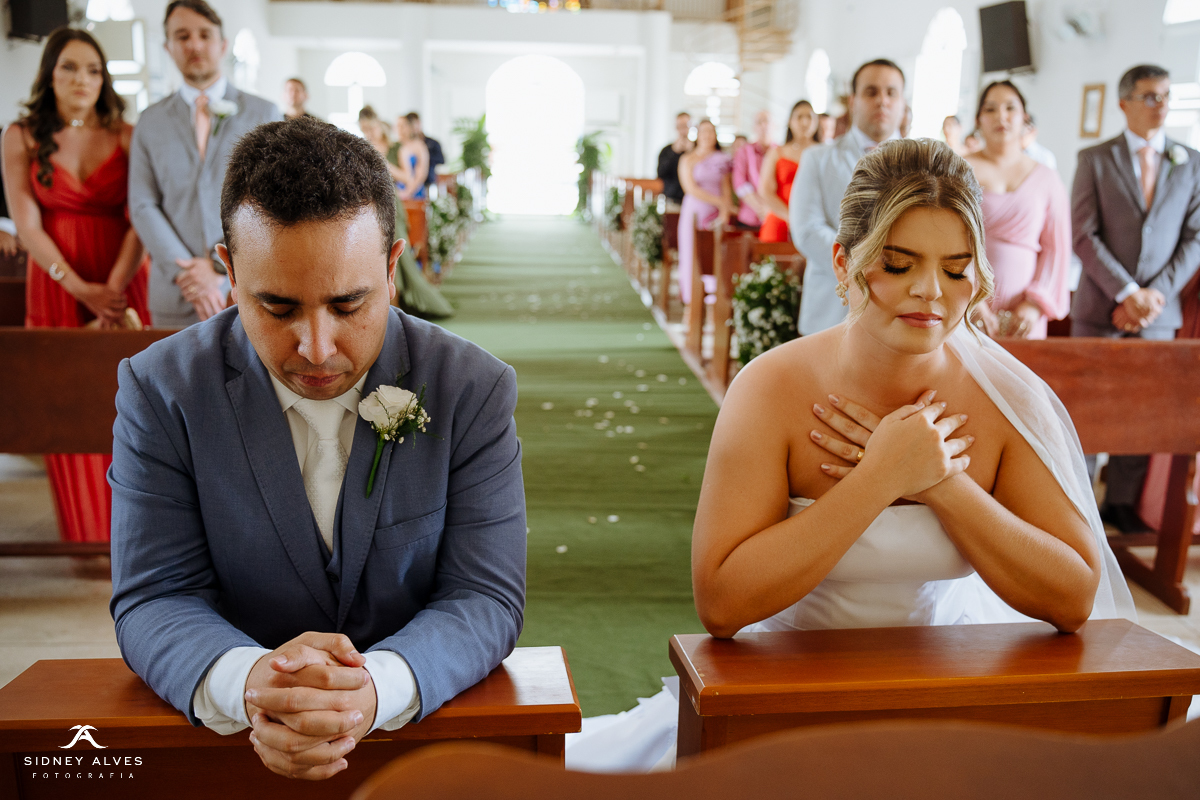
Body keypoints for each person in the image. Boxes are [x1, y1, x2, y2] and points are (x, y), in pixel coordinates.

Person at [566, 139, 1135, 773]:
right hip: (783, 694)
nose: (930, 292)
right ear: (844, 262)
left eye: (956, 269)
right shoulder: (771, 388)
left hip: (952, 691)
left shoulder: (1008, 400)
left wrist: (942, 483)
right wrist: (879, 478)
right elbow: (721, 604)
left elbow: (1073, 597)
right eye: (898, 264)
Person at [109, 116, 525, 781]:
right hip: (231, 757)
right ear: (228, 270)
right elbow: (155, 594)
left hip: (428, 752)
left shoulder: (469, 388)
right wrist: (252, 683)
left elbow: (484, 594)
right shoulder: (162, 390)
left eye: (349, 304)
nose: (317, 347)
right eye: (277, 308)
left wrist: (375, 688)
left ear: (392, 267)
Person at [1, 28, 151, 544]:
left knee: (129, 402)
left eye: (93, 70)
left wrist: (112, 287)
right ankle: (85, 533)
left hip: (122, 278)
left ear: (104, 79)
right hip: (56, 283)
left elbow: (139, 216)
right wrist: (80, 287)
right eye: (69, 67)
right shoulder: (21, 136)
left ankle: (137, 535)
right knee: (64, 402)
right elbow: (27, 225)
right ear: (49, 74)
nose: (81, 79)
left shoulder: (127, 135)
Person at [1071, 64, 1200, 534]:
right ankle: (1078, 503)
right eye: (1149, 96)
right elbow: (1082, 234)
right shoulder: (1094, 159)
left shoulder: (1191, 161)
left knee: (1141, 412)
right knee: (1086, 410)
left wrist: (1153, 297)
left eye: (1165, 96)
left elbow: (1196, 237)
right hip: (1101, 307)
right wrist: (1126, 293)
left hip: (1159, 314)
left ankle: (1122, 503)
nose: (1160, 105)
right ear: (1124, 103)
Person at [128, 0, 281, 328]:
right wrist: (185, 271)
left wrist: (217, 266)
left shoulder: (264, 113)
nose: (194, 45)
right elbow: (142, 204)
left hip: (248, 285)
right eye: (182, 36)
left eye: (204, 35)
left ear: (222, 44)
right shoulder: (150, 121)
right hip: (176, 290)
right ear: (168, 47)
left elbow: (271, 200)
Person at [791, 58, 905, 335]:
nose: (882, 101)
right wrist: (869, 265)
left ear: (903, 102)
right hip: (832, 311)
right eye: (871, 92)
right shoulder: (818, 159)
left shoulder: (924, 165)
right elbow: (807, 231)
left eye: (891, 93)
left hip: (902, 309)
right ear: (853, 101)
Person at [964, 82, 1070, 340]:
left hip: (1025, 319)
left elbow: (1056, 249)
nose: (1001, 116)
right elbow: (944, 241)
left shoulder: (1047, 178)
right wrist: (970, 298)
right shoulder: (958, 170)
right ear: (978, 119)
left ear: (1025, 118)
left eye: (1010, 108)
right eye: (990, 109)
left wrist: (1033, 305)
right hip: (965, 308)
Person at [358, 106, 453, 319]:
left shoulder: (395, 148)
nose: (369, 132)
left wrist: (384, 165)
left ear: (379, 126)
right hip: (373, 206)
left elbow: (408, 177)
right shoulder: (364, 147)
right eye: (364, 129)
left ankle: (398, 303)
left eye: (371, 127)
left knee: (398, 254)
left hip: (392, 203)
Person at [676, 119, 732, 306]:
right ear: (697, 135)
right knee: (692, 253)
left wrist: (724, 212)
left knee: (715, 255)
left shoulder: (723, 159)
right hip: (694, 212)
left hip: (717, 214)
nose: (707, 135)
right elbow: (691, 188)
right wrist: (719, 202)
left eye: (711, 132)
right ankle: (692, 298)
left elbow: (726, 188)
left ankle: (714, 298)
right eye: (703, 132)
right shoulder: (687, 159)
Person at [757, 100, 818, 244]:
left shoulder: (825, 153)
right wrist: (790, 218)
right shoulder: (777, 152)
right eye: (799, 117)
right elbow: (765, 191)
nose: (804, 122)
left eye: (809, 117)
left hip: (814, 223)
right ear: (790, 121)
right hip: (781, 220)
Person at [732, 110, 773, 231]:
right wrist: (761, 209)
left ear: (774, 125)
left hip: (775, 218)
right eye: (759, 122)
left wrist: (770, 210)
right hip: (749, 220)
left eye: (766, 121)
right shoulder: (743, 152)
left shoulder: (780, 152)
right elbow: (740, 184)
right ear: (754, 127)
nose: (763, 126)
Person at [656, 112, 692, 206]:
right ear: (676, 127)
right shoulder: (666, 150)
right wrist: (674, 152)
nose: (683, 129)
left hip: (692, 199)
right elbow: (660, 173)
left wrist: (691, 152)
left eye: (686, 125)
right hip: (671, 199)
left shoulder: (696, 150)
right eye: (680, 126)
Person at [392, 114, 429, 201]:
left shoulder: (419, 145)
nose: (400, 129)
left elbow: (421, 173)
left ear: (409, 127)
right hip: (397, 190)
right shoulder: (394, 146)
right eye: (398, 126)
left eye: (403, 126)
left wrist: (408, 192)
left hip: (415, 190)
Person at [406, 112, 443, 193]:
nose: (414, 128)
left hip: (429, 181)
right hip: (410, 183)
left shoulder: (432, 143)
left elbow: (441, 160)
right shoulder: (405, 145)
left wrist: (424, 157)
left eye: (415, 124)